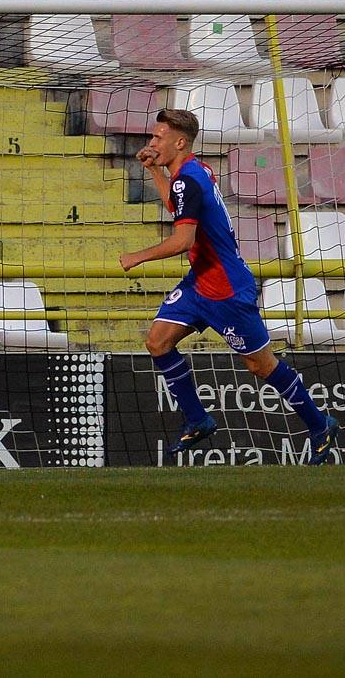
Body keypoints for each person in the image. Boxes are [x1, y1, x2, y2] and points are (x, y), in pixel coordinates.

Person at [120, 109, 339, 464]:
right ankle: (198, 419)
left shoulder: (188, 180)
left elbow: (183, 240)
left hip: (226, 289)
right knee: (157, 341)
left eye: (159, 137)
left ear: (179, 142)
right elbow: (179, 208)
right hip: (200, 283)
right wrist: (155, 170)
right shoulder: (194, 170)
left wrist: (137, 256)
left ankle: (320, 424)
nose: (152, 142)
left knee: (261, 366)